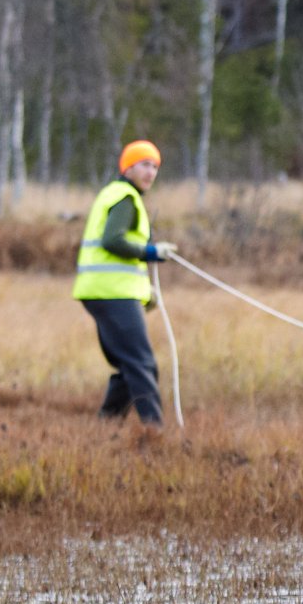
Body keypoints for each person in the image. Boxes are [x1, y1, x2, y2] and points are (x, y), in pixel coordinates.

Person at [71, 141, 179, 427]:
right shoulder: (125, 197)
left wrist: (144, 292)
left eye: (155, 166)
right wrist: (152, 252)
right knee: (142, 363)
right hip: (112, 293)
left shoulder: (114, 194)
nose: (151, 172)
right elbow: (112, 241)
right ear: (127, 168)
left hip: (103, 292)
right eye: (144, 164)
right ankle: (155, 432)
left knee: (127, 364)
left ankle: (106, 426)